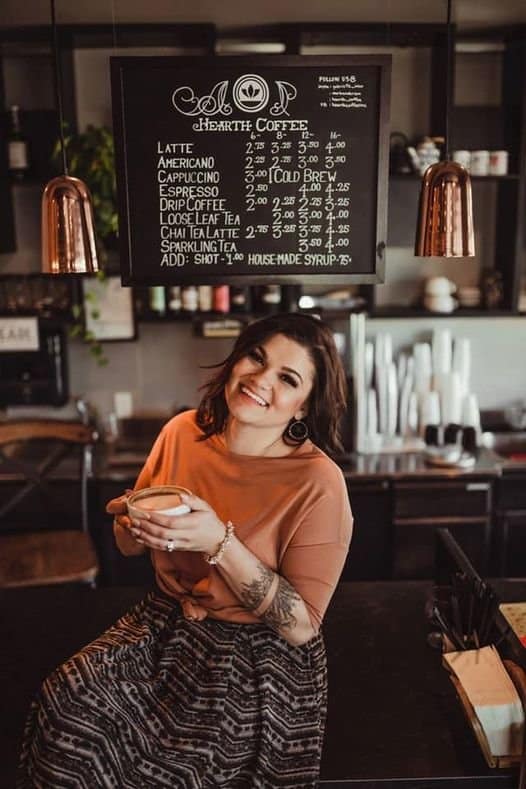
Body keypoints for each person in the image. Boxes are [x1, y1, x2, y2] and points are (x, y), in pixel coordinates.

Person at [17, 312, 353, 789]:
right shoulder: (181, 433)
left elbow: (300, 625)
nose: (260, 379)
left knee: (184, 764)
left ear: (303, 407)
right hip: (166, 623)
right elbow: (126, 544)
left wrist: (220, 542)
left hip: (259, 653)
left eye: (287, 377)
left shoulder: (318, 482)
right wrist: (135, 527)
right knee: (67, 706)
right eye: (256, 357)